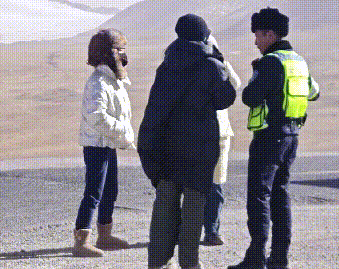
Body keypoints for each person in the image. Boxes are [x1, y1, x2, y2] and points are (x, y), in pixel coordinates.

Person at [138, 14, 237, 269]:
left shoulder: (167, 65)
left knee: (164, 205)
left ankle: (158, 262)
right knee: (194, 207)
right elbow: (225, 98)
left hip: (167, 149)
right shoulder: (210, 65)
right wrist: (219, 59)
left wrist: (149, 150)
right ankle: (190, 263)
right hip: (199, 150)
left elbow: (155, 108)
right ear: (204, 35)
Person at [228, 8, 320, 269]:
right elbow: (314, 92)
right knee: (280, 195)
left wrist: (257, 74)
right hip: (292, 136)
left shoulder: (271, 62)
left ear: (269, 34)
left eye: (258, 35)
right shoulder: (298, 61)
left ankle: (256, 258)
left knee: (259, 196)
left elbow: (250, 97)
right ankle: (279, 258)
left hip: (269, 137)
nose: (255, 42)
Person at [73, 29, 136, 257]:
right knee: (94, 192)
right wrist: (122, 131)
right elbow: (97, 116)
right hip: (96, 145)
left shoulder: (112, 81)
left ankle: (105, 235)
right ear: (110, 53)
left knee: (110, 191)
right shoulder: (98, 82)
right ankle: (81, 242)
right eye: (120, 50)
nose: (123, 55)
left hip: (107, 143)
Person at [202, 35, 242, 247]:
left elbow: (236, 83)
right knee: (192, 186)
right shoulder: (187, 66)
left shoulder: (220, 67)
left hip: (219, 133)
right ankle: (188, 230)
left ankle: (212, 231)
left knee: (215, 185)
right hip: (195, 134)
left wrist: (222, 62)